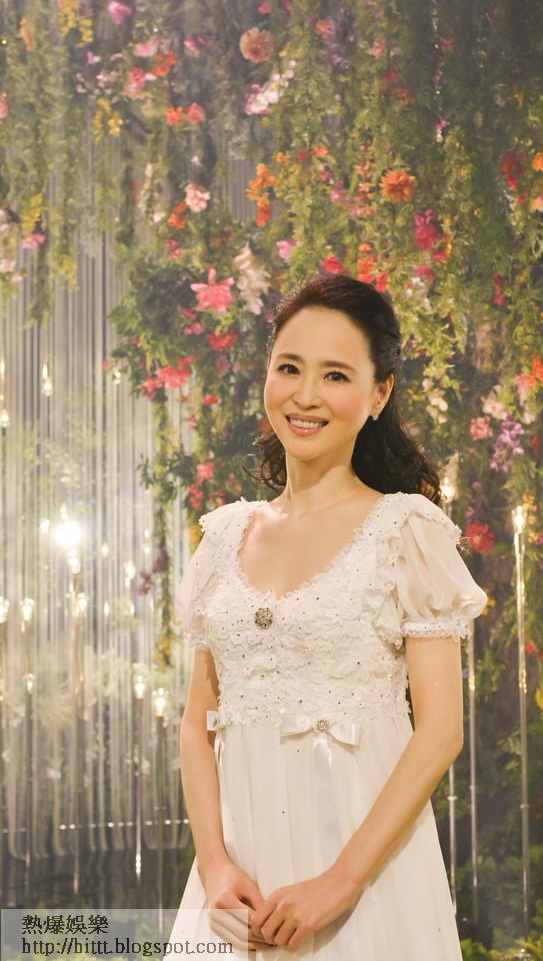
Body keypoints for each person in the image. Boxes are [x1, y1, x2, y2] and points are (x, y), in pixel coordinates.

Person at [168, 272, 488, 958]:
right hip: (237, 886)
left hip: (363, 878)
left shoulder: (405, 530)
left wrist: (341, 882)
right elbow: (197, 723)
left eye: (335, 375)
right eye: (289, 368)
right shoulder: (224, 537)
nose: (306, 395)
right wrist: (216, 866)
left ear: (379, 394)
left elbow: (440, 732)